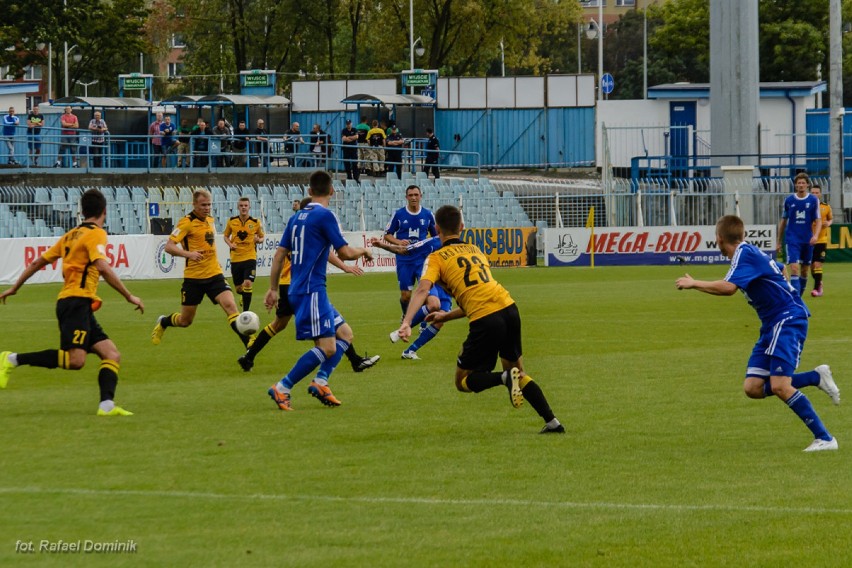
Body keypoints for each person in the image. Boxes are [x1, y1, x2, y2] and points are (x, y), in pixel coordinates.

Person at [676, 215, 840, 452]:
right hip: (772, 323)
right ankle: (815, 377)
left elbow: (729, 288)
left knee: (780, 386)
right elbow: (782, 268)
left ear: (720, 239)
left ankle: (825, 438)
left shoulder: (743, 254)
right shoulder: (749, 252)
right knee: (753, 387)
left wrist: (695, 284)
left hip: (786, 320)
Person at [396, 205, 564, 434]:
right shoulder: (475, 250)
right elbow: (477, 296)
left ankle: (504, 378)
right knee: (519, 372)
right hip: (509, 308)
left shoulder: (435, 257)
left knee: (463, 381)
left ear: (436, 229)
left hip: (486, 320)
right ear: (462, 227)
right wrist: (446, 315)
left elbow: (422, 289)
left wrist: (406, 322)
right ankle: (552, 421)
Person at [0, 189, 144, 416]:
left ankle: (106, 406)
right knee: (76, 360)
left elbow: (38, 261)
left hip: (79, 304)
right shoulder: (96, 234)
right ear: (104, 212)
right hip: (75, 302)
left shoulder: (70, 235)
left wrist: (15, 288)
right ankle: (11, 359)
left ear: (82, 211)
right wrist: (129, 296)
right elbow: (103, 267)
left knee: (111, 354)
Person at [265, 171, 374, 411]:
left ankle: (321, 381)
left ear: (309, 191)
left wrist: (273, 289)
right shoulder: (326, 216)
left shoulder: (295, 218)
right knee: (327, 347)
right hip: (310, 291)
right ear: (332, 191)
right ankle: (282, 387)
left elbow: (279, 255)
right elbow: (344, 252)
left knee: (345, 334)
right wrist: (363, 251)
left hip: (301, 289)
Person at [239, 197, 380, 374]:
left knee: (279, 325)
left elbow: (285, 255)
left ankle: (249, 357)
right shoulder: (309, 228)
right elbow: (329, 253)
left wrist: (274, 288)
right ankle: (315, 378)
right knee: (326, 327)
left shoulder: (295, 228)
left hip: (288, 284)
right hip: (303, 286)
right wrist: (346, 265)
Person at [151, 189, 251, 348]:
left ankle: (249, 345)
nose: (207, 208)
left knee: (230, 306)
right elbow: (169, 247)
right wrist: (189, 254)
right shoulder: (186, 222)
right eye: (203, 205)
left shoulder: (210, 220)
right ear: (194, 204)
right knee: (185, 321)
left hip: (214, 274)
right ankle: (164, 322)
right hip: (194, 279)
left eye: (209, 205)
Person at [372, 236, 452, 360]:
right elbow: (404, 249)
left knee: (441, 320)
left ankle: (410, 351)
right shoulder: (433, 242)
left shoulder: (462, 247)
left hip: (449, 286)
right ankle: (405, 325)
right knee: (433, 305)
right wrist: (382, 245)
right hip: (435, 281)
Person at [384, 185, 437, 317]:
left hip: (422, 260)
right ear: (406, 197)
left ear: (421, 196)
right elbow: (387, 234)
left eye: (416, 195)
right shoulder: (399, 214)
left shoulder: (428, 215)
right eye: (410, 195)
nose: (413, 197)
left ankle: (422, 321)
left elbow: (436, 236)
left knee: (425, 293)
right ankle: (405, 315)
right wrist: (398, 243)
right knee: (406, 296)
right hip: (405, 260)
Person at [777, 172, 821, 296]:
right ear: (795, 185)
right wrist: (778, 241)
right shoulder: (789, 200)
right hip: (792, 240)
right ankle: (795, 299)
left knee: (805, 271)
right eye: (798, 183)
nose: (800, 185)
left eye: (803, 183)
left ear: (807, 185)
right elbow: (783, 221)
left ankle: (799, 297)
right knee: (794, 268)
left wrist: (816, 235)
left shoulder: (813, 200)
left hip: (807, 239)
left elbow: (818, 220)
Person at [223, 196, 264, 311]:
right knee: (238, 288)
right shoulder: (232, 221)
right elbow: (225, 236)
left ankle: (246, 312)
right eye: (241, 206)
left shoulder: (255, 222)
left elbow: (262, 237)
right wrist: (230, 245)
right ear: (238, 207)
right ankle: (243, 296)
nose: (243, 208)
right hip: (236, 258)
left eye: (246, 205)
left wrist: (258, 240)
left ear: (249, 207)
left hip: (250, 256)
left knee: (247, 283)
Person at [809, 184, 832, 297]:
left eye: (816, 192)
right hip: (809, 240)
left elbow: (831, 219)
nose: (814, 194)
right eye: (812, 193)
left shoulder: (826, 207)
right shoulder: (806, 206)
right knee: (811, 267)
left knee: (817, 264)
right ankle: (819, 283)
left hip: (821, 240)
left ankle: (816, 289)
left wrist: (828, 223)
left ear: (820, 194)